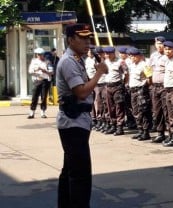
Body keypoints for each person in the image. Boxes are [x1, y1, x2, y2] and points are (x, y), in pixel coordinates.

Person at [56, 23, 108, 208]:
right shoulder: (69, 62)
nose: (87, 41)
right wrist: (99, 73)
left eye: (88, 38)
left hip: (78, 122)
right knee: (80, 175)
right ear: (71, 40)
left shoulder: (76, 60)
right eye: (83, 38)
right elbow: (81, 92)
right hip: (73, 123)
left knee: (70, 170)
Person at [128, 47, 152, 141]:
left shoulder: (144, 65)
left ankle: (146, 132)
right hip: (133, 91)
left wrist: (144, 87)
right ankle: (140, 130)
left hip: (140, 91)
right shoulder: (132, 65)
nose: (131, 58)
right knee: (136, 112)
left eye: (133, 56)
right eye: (130, 56)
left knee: (143, 111)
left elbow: (150, 78)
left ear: (138, 56)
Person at [103, 46, 128, 136]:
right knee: (110, 107)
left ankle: (120, 126)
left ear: (113, 53)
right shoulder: (105, 62)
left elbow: (126, 74)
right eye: (106, 54)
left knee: (119, 107)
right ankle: (113, 125)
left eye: (109, 54)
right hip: (108, 86)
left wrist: (123, 84)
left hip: (117, 86)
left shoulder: (120, 62)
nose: (107, 55)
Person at [149, 36, 169, 143]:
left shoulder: (167, 56)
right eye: (157, 44)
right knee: (157, 111)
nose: (159, 46)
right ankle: (160, 133)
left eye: (161, 44)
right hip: (155, 87)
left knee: (168, 111)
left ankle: (170, 134)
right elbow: (149, 69)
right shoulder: (153, 56)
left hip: (165, 87)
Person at [27, 47, 53, 119]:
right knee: (34, 97)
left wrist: (43, 70)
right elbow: (30, 71)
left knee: (44, 97)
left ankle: (43, 112)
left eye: (41, 54)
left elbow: (51, 72)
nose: (39, 56)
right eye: (38, 54)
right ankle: (32, 112)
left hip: (45, 80)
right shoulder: (34, 61)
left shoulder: (47, 62)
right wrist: (36, 71)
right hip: (37, 80)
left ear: (43, 55)